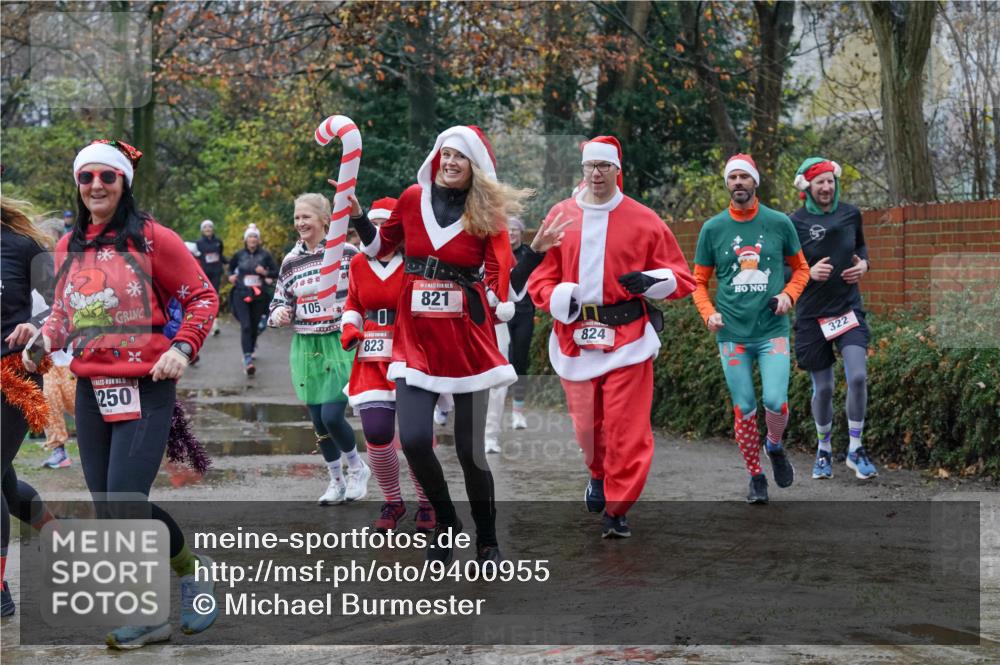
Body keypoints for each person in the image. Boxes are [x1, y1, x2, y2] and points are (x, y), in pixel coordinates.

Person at [25, 139, 220, 647]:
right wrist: (45, 336)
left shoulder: (155, 240)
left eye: (106, 177)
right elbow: (66, 312)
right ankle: (155, 615)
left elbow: (201, 297)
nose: (95, 186)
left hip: (146, 387)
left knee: (127, 501)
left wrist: (183, 346)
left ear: (123, 183)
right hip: (93, 387)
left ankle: (190, 576)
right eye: (86, 177)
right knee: (110, 508)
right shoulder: (69, 245)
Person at [349, 125, 529, 564]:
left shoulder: (486, 211)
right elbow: (379, 246)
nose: (449, 163)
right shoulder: (413, 198)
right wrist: (357, 217)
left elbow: (498, 268)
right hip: (415, 341)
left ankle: (486, 537)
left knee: (470, 454)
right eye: (444, 154)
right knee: (412, 439)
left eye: (459, 157)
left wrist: (497, 297)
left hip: (466, 341)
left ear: (474, 167)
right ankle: (447, 521)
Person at [528, 136, 695, 539]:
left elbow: (683, 278)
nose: (597, 173)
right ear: (582, 171)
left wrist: (651, 281)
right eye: (591, 166)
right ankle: (598, 475)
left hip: (628, 338)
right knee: (588, 427)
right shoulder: (560, 215)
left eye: (605, 166)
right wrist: (558, 297)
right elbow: (540, 278)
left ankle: (617, 511)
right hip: (575, 337)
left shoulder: (644, 219)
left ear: (618, 171)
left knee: (626, 428)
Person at [691, 154, 810, 504]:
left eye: (745, 177)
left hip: (772, 330)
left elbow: (801, 269)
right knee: (744, 407)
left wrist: (789, 295)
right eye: (733, 178)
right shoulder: (713, 229)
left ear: (755, 181)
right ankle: (755, 476)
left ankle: (774, 445)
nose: (739, 183)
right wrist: (708, 312)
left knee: (775, 400)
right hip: (732, 335)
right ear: (727, 184)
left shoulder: (778, 223)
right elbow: (698, 281)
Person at [268, 193, 370, 505]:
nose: (300, 223)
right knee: (317, 420)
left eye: (306, 217)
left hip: (338, 343)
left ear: (325, 220)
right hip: (306, 345)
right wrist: (279, 315)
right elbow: (278, 302)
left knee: (332, 414)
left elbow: (365, 291)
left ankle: (357, 468)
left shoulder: (346, 253)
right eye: (297, 218)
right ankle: (336, 481)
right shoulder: (291, 261)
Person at [341, 196, 435, 531]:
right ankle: (393, 501)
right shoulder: (357, 264)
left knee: (417, 438)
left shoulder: (417, 263)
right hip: (370, 355)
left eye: (385, 226)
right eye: (375, 226)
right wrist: (350, 327)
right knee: (377, 433)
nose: (378, 233)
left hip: (411, 351)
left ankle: (428, 502)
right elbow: (352, 302)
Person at [790, 157, 876, 480]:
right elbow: (785, 268)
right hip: (812, 316)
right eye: (819, 182)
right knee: (823, 389)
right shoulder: (794, 222)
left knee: (857, 377)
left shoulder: (851, 213)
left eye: (830, 181)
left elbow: (863, 248)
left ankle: (855, 449)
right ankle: (824, 450)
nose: (826, 187)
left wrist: (865, 266)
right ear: (807, 187)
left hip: (847, 309)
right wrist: (808, 273)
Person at [1, 196, 58, 617]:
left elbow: (65, 302)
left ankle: (0, 591)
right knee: (4, 481)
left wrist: (36, 325)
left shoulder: (22, 244)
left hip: (13, 373)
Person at [484, 216, 569, 454]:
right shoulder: (470, 242)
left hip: (512, 314)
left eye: (514, 230)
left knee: (512, 366)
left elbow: (525, 280)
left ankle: (501, 425)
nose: (510, 233)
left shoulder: (514, 252)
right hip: (474, 317)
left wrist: (535, 252)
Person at [227, 223, 278, 374]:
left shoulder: (265, 255)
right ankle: (248, 358)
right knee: (246, 326)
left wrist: (265, 273)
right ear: (246, 239)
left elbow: (276, 272)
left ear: (258, 240)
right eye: (250, 236)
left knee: (255, 326)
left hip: (259, 296)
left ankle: (251, 345)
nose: (252, 239)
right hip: (241, 294)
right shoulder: (239, 255)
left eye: (255, 237)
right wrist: (231, 276)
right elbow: (230, 268)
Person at [196, 219, 225, 336]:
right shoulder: (198, 243)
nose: (208, 229)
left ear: (213, 229)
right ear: (202, 230)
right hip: (204, 275)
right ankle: (205, 321)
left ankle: (215, 323)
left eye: (210, 227)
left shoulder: (218, 242)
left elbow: (220, 256)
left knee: (215, 296)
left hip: (216, 273)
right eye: (205, 227)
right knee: (205, 298)